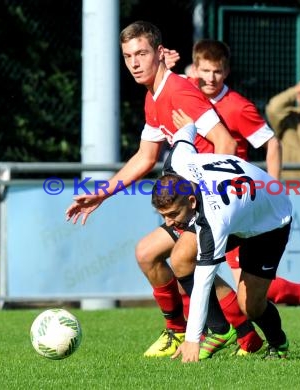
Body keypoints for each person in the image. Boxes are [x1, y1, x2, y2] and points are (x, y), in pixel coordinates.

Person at [65, 21, 251, 360]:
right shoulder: (154, 96)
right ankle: (187, 332)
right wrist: (102, 194)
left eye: (141, 53)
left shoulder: (179, 91)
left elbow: (225, 141)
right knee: (148, 254)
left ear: (159, 53)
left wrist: (212, 193)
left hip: (208, 200)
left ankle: (233, 333)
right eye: (127, 56)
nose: (134, 62)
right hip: (192, 202)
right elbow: (145, 156)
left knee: (184, 261)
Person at [165, 40, 300, 345]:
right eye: (204, 71)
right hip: (196, 203)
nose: (210, 78)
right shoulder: (190, 93)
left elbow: (272, 143)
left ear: (226, 72)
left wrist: (272, 187)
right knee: (173, 258)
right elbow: (167, 88)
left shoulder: (237, 106)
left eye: (217, 72)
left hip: (232, 205)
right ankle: (208, 335)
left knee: (251, 292)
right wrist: (165, 67)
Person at [153, 108, 293, 362]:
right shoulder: (176, 163)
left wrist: (192, 340)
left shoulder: (215, 219)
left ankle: (278, 343)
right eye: (163, 215)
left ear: (192, 201)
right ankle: (219, 330)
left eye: (173, 214)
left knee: (250, 306)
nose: (169, 222)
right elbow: (185, 137)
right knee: (181, 258)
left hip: (270, 222)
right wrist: (189, 124)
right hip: (244, 210)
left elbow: (205, 279)